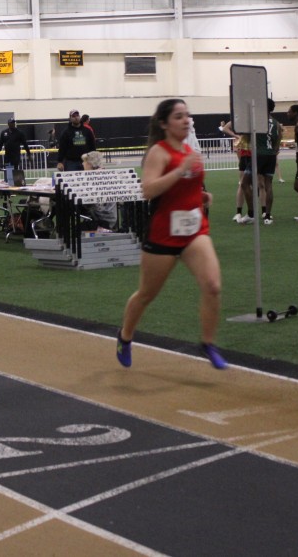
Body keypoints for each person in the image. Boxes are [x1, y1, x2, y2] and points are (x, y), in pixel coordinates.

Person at [115, 98, 226, 370]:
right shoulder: (159, 152)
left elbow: (186, 189)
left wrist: (202, 196)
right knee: (146, 294)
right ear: (164, 124)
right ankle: (125, 337)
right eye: (178, 116)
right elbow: (148, 190)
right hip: (164, 234)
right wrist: (181, 169)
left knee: (212, 285)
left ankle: (208, 343)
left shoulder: (189, 150)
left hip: (194, 231)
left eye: (187, 115)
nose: (186, 120)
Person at [81, 150, 117, 230]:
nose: (82, 164)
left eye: (84, 162)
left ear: (90, 164)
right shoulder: (103, 173)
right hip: (107, 215)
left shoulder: (95, 176)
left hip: (103, 218)